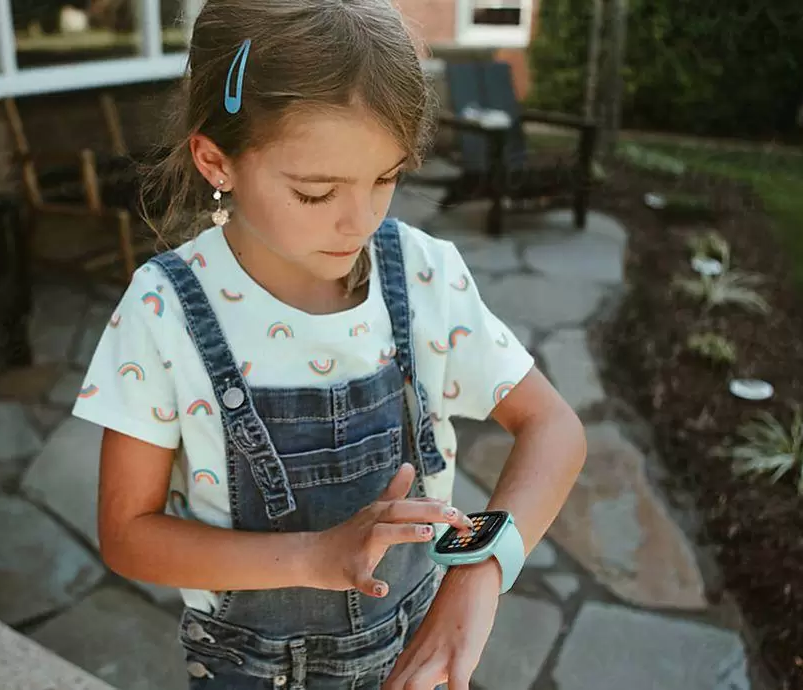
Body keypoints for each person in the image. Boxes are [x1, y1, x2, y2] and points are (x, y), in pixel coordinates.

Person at [72, 1, 586, 687]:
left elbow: (554, 426)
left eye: (386, 178)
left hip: (416, 653)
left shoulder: (423, 277)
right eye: (316, 192)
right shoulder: (164, 311)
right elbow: (127, 533)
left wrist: (480, 570)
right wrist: (314, 556)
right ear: (215, 159)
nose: (360, 220)